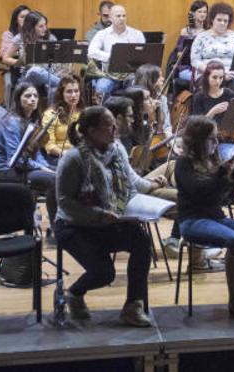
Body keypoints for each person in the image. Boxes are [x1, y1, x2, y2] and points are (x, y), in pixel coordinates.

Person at [53, 106, 156, 326]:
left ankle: (133, 305)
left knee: (141, 241)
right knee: (104, 273)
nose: (115, 129)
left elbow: (131, 182)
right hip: (74, 225)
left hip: (109, 219)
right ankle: (74, 293)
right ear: (91, 131)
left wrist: (151, 192)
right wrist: (99, 215)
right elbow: (65, 203)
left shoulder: (116, 150)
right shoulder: (73, 159)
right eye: (109, 126)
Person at [175, 115, 234, 317]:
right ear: (198, 140)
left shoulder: (212, 160)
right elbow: (198, 192)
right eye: (212, 139)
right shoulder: (183, 163)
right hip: (192, 220)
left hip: (216, 217)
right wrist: (221, 175)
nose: (216, 143)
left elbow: (223, 199)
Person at [0, 82, 58, 222]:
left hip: (24, 167)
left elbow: (36, 153)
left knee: (60, 172)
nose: (32, 99)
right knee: (55, 179)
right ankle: (56, 225)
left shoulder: (32, 121)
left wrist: (47, 167)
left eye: (35, 96)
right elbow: (15, 160)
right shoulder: (11, 122)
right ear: (18, 99)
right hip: (8, 170)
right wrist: (41, 168)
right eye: (27, 96)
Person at [87, 4, 146, 98]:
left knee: (141, 90)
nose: (122, 18)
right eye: (118, 16)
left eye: (124, 16)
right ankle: (104, 113)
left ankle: (134, 112)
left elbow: (144, 54)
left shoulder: (137, 34)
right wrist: (112, 57)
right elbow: (91, 51)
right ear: (110, 18)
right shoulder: (102, 34)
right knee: (101, 88)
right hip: (109, 76)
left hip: (131, 76)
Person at [190, 2, 234, 89]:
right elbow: (195, 60)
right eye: (219, 20)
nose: (222, 23)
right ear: (212, 20)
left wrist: (231, 73)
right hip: (207, 74)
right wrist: (215, 73)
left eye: (225, 21)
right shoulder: (201, 37)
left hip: (230, 74)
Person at [41, 75, 84, 165]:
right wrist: (66, 154)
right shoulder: (51, 114)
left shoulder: (83, 113)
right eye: (69, 92)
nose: (73, 95)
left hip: (79, 156)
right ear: (61, 94)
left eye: (76, 91)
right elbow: (49, 145)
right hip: (57, 157)